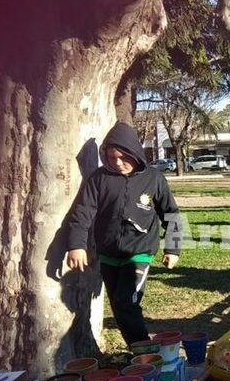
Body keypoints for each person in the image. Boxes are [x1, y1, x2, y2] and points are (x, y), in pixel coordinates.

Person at [66, 121, 181, 346]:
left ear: (134, 153)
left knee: (126, 301)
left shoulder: (154, 178)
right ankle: (139, 352)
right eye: (111, 158)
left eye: (123, 157)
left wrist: (173, 248)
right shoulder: (98, 179)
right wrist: (76, 245)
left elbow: (171, 213)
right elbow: (83, 212)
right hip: (108, 254)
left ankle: (146, 354)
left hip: (139, 252)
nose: (118, 163)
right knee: (119, 307)